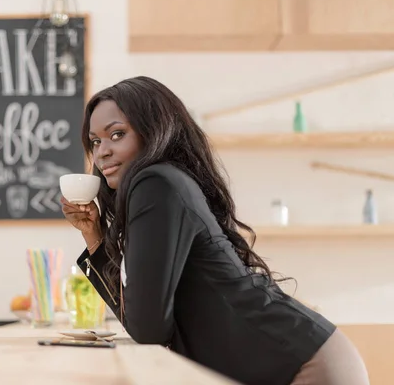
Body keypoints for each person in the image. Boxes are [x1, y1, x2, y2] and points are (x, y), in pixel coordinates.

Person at [61, 76, 369, 385]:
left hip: (306, 367)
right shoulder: (162, 184)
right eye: (96, 141)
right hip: (302, 357)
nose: (102, 152)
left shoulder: (154, 184)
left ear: (151, 130)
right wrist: (93, 234)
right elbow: (143, 322)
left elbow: (148, 331)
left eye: (117, 134)